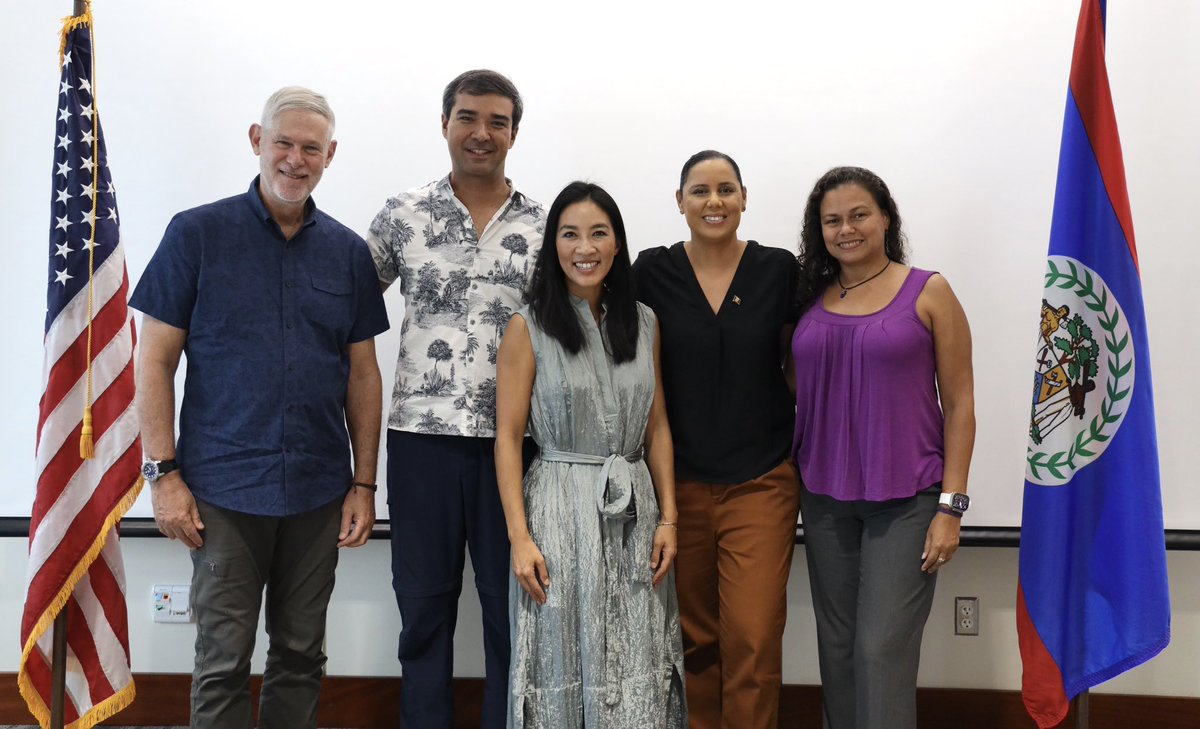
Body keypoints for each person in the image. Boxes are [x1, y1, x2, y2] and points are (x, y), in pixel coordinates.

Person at [131, 86, 389, 729]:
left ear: (331, 155)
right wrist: (163, 477)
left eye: (311, 148)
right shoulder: (196, 233)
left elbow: (363, 374)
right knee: (221, 659)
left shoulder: (348, 253)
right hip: (223, 489)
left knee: (302, 654)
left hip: (317, 488)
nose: (295, 160)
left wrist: (363, 483)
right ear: (256, 140)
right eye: (283, 142)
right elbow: (153, 361)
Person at [366, 69, 544, 729]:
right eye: (468, 117)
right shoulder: (401, 215)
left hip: (517, 446)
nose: (482, 133)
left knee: (513, 611)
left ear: (514, 134)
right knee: (423, 606)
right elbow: (349, 312)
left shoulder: (543, 224)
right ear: (446, 124)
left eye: (497, 121)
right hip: (421, 442)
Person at [495, 181, 686, 729]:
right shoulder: (526, 327)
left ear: (618, 243)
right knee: (557, 647)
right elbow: (507, 437)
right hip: (556, 510)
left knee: (640, 647)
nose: (586, 247)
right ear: (553, 245)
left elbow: (658, 425)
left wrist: (670, 518)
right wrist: (520, 537)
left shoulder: (644, 321)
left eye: (599, 233)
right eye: (570, 233)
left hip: (635, 510)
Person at [791, 166, 975, 729]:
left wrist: (952, 507)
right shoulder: (807, 296)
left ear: (886, 218)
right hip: (823, 499)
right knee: (839, 651)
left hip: (908, 501)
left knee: (880, 652)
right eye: (832, 220)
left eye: (858, 215)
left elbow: (961, 404)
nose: (846, 228)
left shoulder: (930, 290)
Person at [631, 151, 801, 729]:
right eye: (699, 191)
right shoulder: (651, 271)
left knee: (752, 638)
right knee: (693, 639)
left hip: (761, 480)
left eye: (726, 189)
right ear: (679, 202)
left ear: (745, 197)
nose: (714, 202)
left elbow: (797, 362)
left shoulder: (779, 270)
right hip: (675, 487)